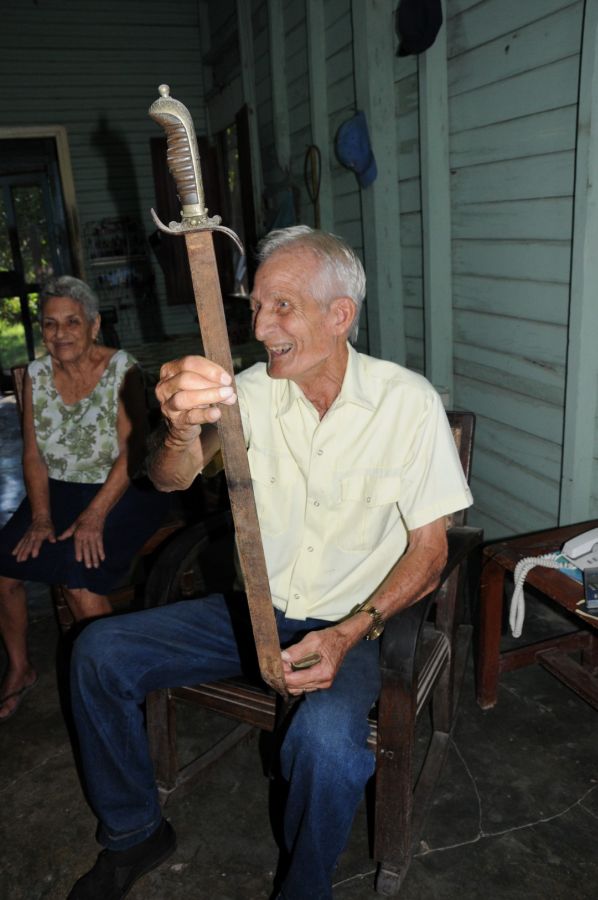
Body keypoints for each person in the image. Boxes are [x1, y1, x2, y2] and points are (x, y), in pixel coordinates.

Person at [66, 227, 473, 900]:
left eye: (281, 305)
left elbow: (431, 552)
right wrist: (177, 428)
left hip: (355, 625)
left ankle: (304, 890)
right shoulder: (249, 392)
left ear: (339, 315)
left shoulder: (408, 405)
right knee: (98, 652)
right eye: (254, 305)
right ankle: (135, 831)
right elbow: (170, 479)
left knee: (327, 743)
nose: (259, 325)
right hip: (254, 613)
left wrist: (346, 633)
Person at [0, 275, 170, 721]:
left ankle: (119, 690)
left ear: (94, 326)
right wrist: (40, 516)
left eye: (71, 322)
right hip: (59, 488)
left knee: (80, 574)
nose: (60, 334)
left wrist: (95, 515)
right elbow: (34, 456)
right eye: (50, 324)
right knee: (2, 567)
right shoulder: (36, 374)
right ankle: (20, 668)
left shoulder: (122, 367)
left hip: (123, 485)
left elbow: (134, 451)